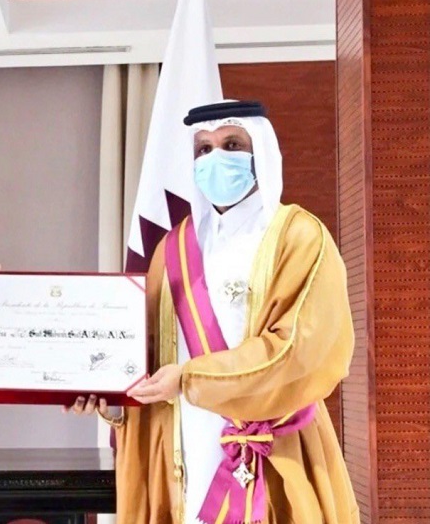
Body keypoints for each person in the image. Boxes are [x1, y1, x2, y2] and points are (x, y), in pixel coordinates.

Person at [69, 100, 359, 523]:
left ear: (260, 152)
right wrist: (108, 393)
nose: (216, 157)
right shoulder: (173, 248)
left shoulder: (299, 236)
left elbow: (300, 352)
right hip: (184, 440)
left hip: (273, 441)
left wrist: (191, 378)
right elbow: (145, 354)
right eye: (203, 149)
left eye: (232, 144)